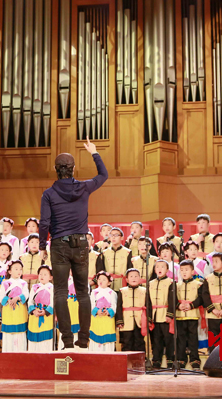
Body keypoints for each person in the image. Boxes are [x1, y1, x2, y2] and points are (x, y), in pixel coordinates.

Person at [39, 137, 108, 350]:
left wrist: (42, 246)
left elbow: (45, 222)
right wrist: (94, 152)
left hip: (59, 244)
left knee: (60, 292)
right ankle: (84, 340)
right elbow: (103, 175)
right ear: (73, 169)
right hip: (80, 244)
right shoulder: (83, 188)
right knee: (82, 292)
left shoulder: (48, 194)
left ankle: (67, 341)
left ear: (55, 169)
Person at [174, 260, 204, 369]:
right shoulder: (176, 285)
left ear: (192, 271)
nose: (184, 272)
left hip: (193, 314)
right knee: (180, 338)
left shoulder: (198, 284)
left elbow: (201, 298)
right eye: (182, 270)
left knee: (193, 338)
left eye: (186, 270)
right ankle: (181, 359)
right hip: (180, 314)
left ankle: (194, 359)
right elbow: (173, 298)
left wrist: (191, 305)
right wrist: (178, 305)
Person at [202, 252, 222, 352]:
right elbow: (205, 295)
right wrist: (212, 309)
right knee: (213, 336)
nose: (214, 264)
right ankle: (213, 356)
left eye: (216, 261)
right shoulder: (208, 278)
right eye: (213, 261)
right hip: (213, 313)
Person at [116, 268, 151, 352]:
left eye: (136, 276)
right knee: (126, 341)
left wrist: (149, 319)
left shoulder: (144, 290)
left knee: (139, 341)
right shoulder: (122, 291)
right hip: (126, 320)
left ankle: (140, 358)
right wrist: (119, 320)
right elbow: (119, 307)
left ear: (140, 278)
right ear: (127, 279)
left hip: (140, 320)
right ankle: (126, 359)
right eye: (131, 276)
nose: (134, 278)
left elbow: (149, 305)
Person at [149, 259, 175, 369]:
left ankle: (170, 360)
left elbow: (172, 300)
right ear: (154, 270)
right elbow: (148, 301)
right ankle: (156, 360)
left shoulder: (171, 282)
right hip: (154, 315)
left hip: (165, 315)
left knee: (168, 339)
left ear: (167, 270)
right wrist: (149, 317)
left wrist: (170, 314)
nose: (160, 269)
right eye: (157, 267)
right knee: (156, 339)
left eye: (162, 267)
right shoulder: (150, 283)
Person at [0, 260, 29, 352]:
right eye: (16, 269)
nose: (19, 271)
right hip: (9, 309)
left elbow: (26, 294)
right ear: (10, 271)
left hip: (19, 310)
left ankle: (20, 353)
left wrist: (17, 298)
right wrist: (8, 300)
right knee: (8, 334)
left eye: (20, 269)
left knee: (20, 333)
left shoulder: (24, 283)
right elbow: (0, 296)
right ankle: (8, 353)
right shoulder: (5, 283)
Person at [27, 265, 54, 352]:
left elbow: (53, 302)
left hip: (47, 316)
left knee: (46, 339)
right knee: (34, 338)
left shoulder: (52, 288)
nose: (42, 276)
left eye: (45, 274)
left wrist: (46, 311)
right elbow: (30, 301)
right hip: (35, 315)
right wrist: (34, 311)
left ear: (50, 277)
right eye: (40, 274)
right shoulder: (34, 287)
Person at [89, 271, 117, 352]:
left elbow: (114, 305)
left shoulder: (112, 293)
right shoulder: (94, 292)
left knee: (107, 337)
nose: (101, 281)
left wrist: (109, 312)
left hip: (107, 319)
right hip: (97, 318)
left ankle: (108, 353)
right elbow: (91, 304)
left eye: (104, 279)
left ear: (109, 282)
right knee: (96, 335)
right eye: (99, 279)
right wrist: (96, 311)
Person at [96, 227, 130, 291]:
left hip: (122, 285)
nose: (113, 237)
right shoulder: (104, 252)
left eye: (116, 235)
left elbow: (129, 269)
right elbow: (101, 269)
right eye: (111, 235)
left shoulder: (127, 252)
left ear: (122, 237)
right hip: (107, 286)